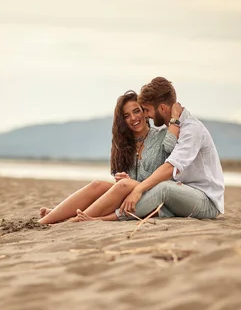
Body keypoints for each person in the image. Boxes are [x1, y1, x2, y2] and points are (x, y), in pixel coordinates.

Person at [77, 77, 225, 222]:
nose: (146, 115)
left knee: (164, 188)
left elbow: (170, 167)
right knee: (101, 185)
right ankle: (67, 214)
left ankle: (103, 218)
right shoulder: (177, 125)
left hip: (206, 201)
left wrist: (138, 189)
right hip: (183, 192)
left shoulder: (192, 130)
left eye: (146, 110)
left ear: (161, 108)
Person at [38, 90, 181, 224]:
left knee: (124, 185)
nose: (133, 118)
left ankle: (72, 221)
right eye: (126, 116)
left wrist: (175, 115)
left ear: (145, 112)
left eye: (136, 111)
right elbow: (125, 184)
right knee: (97, 185)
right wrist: (123, 178)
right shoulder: (124, 144)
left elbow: (171, 155)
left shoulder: (162, 135)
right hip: (131, 198)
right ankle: (46, 221)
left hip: (156, 198)